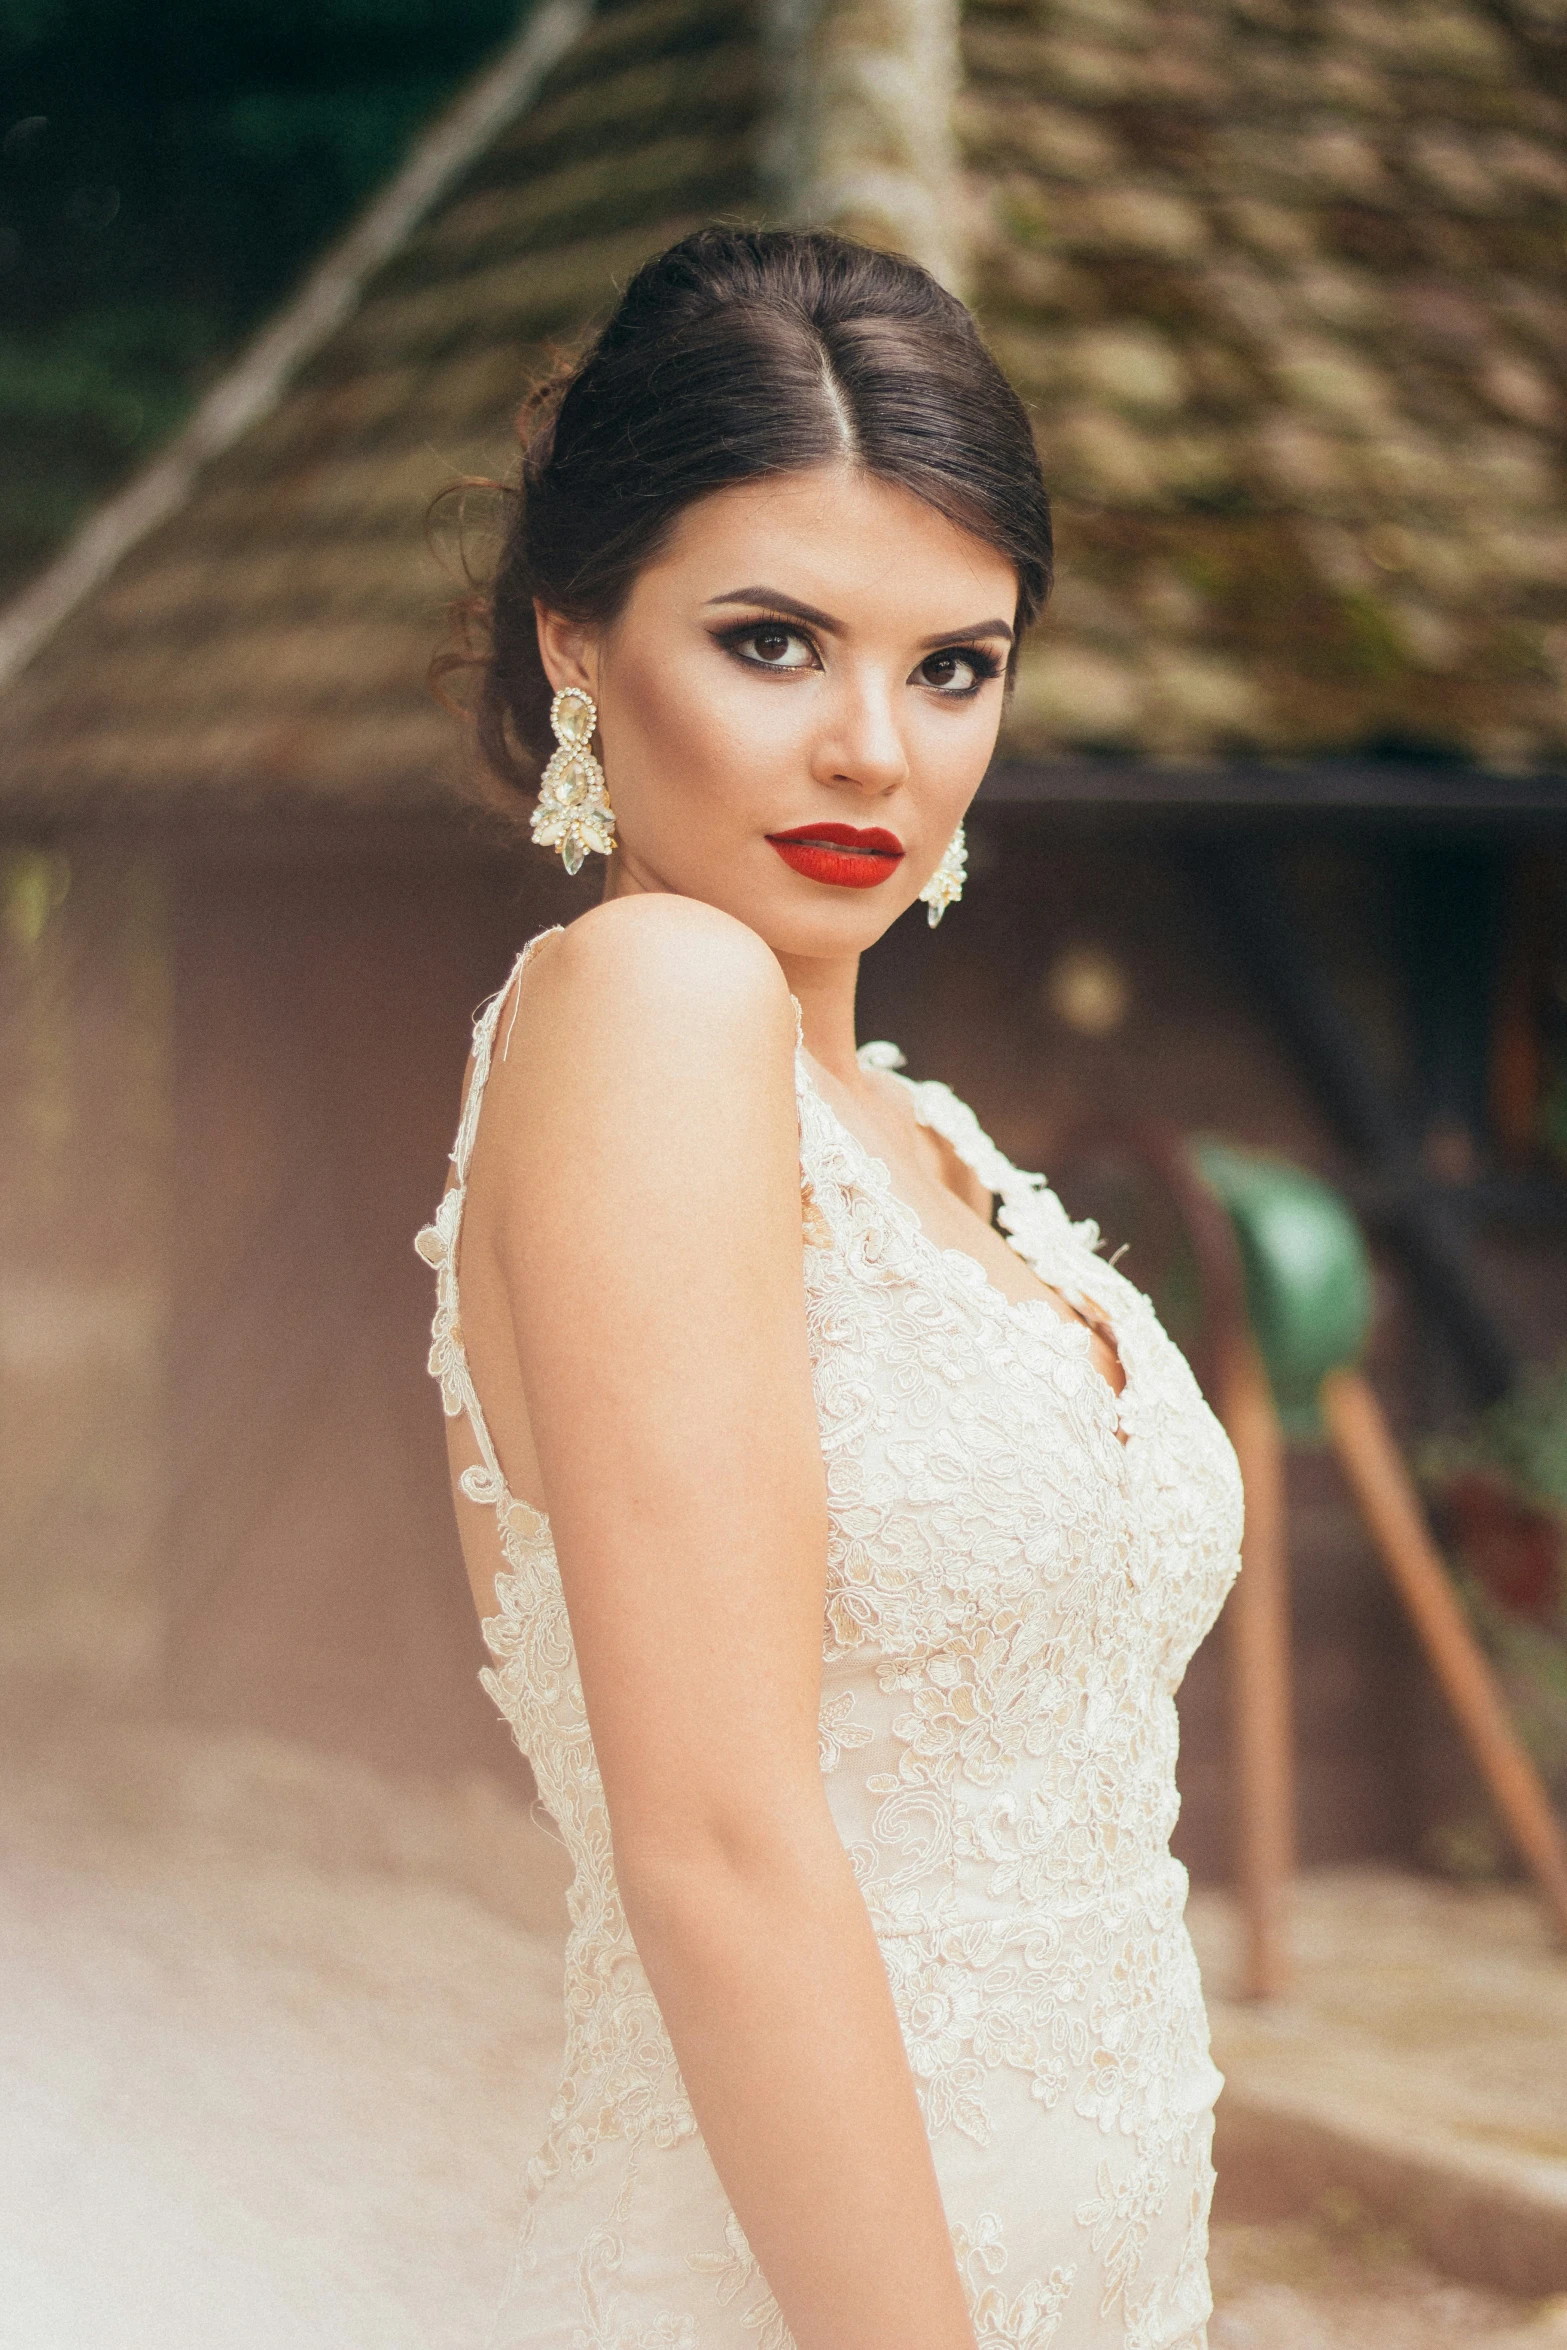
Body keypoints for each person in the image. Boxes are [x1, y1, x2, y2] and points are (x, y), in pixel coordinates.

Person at [416, 227, 1242, 2350]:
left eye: (955, 662)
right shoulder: (649, 1003)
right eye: (776, 640)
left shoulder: (915, 1126)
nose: (878, 745)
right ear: (577, 639)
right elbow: (715, 1835)